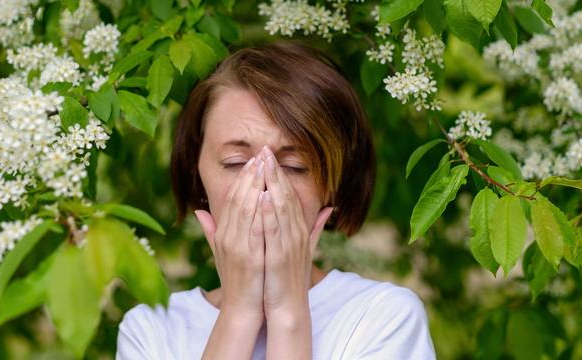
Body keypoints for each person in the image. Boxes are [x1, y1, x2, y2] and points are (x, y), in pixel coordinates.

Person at [116, 41, 435, 359]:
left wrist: (288, 315)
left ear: (334, 184)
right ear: (196, 172)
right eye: (236, 162)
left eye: (295, 167)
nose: (265, 189)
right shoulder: (152, 332)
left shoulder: (383, 319)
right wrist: (239, 314)